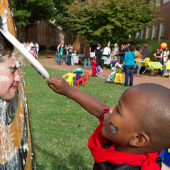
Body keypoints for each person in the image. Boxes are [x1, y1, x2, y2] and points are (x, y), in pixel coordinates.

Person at [48, 76, 170, 169]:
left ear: (138, 139)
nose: (111, 109)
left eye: (118, 110)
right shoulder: (121, 133)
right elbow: (99, 110)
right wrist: (67, 89)